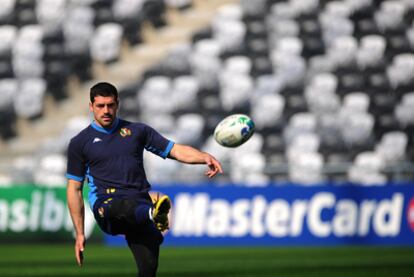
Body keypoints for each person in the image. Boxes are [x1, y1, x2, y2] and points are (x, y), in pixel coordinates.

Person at [66, 82, 223, 277]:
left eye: (110, 105)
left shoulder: (137, 131)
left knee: (148, 268)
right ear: (91, 106)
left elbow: (174, 150)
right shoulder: (80, 143)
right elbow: (74, 189)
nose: (106, 110)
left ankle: (150, 214)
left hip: (139, 202)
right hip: (107, 207)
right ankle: (152, 213)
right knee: (121, 206)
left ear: (117, 104)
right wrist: (80, 233)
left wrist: (204, 157)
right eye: (100, 106)